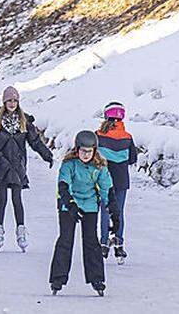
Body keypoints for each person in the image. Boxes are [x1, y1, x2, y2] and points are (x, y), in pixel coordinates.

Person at [0, 86, 54, 252]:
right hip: (0, 166)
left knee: (17, 199)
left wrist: (47, 155)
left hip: (18, 166)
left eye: (14, 100)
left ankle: (21, 230)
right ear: (4, 102)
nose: (12, 103)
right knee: (2, 199)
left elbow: (35, 142)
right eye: (9, 100)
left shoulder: (24, 122)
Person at [50, 130, 112, 296]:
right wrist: (70, 205)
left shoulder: (99, 166)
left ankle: (97, 279)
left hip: (90, 205)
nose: (86, 155)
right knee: (65, 240)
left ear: (94, 150)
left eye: (89, 151)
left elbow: (106, 188)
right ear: (77, 150)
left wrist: (113, 209)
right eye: (83, 151)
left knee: (91, 241)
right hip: (68, 205)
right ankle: (58, 279)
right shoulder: (68, 165)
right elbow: (63, 185)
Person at [96, 101, 137, 264]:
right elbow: (132, 158)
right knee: (118, 212)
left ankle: (104, 243)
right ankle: (119, 245)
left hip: (104, 179)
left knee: (105, 211)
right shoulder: (127, 137)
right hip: (121, 180)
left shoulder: (98, 135)